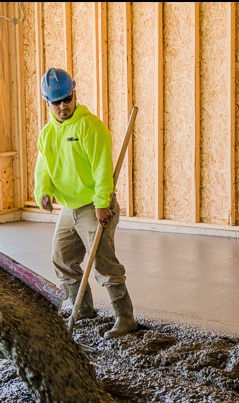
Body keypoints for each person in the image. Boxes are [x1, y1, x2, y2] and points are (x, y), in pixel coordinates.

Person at [34, 68, 138, 339]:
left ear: (74, 94)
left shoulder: (90, 127)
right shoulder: (47, 134)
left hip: (94, 205)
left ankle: (125, 317)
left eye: (66, 99)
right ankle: (83, 309)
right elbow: (43, 168)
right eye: (56, 102)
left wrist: (103, 203)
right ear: (47, 103)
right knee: (62, 258)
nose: (62, 106)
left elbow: (103, 169)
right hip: (70, 207)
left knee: (103, 262)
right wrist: (43, 191)